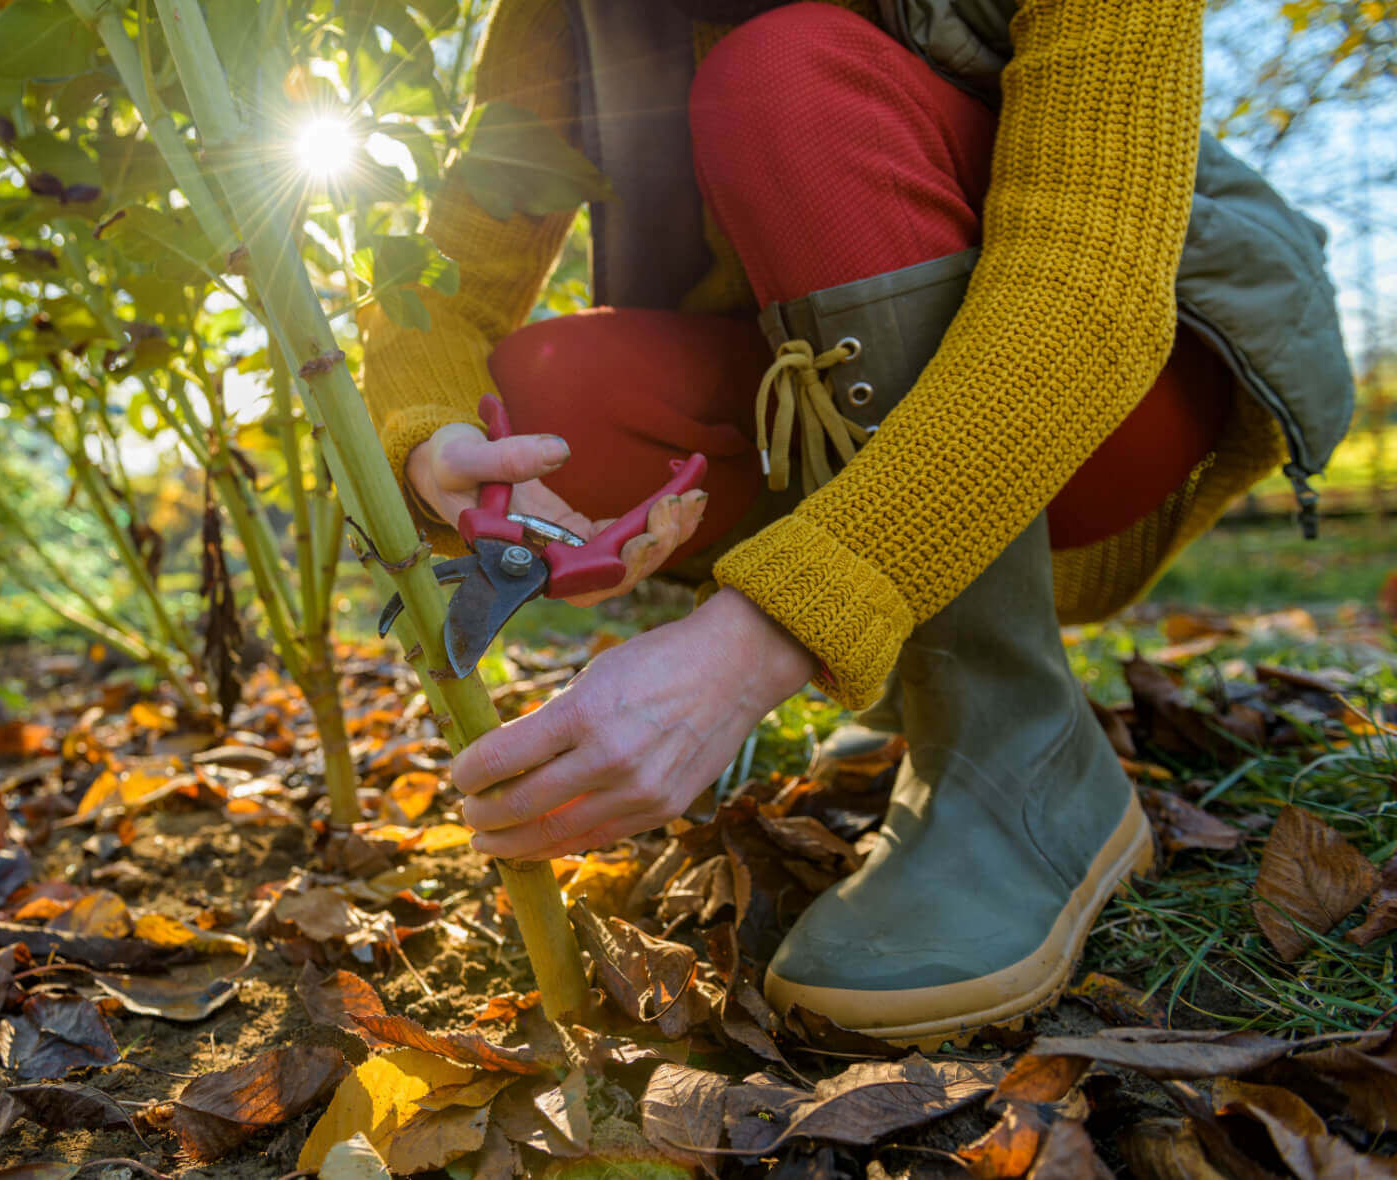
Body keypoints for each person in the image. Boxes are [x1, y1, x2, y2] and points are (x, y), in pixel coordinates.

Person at [357, 0, 1354, 1047]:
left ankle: (1015, 739)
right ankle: (902, 661)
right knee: (551, 391)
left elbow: (1089, 287)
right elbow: (446, 291)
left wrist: (761, 639)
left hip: (1115, 396)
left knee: (784, 76)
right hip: (830, 382)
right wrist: (430, 442)